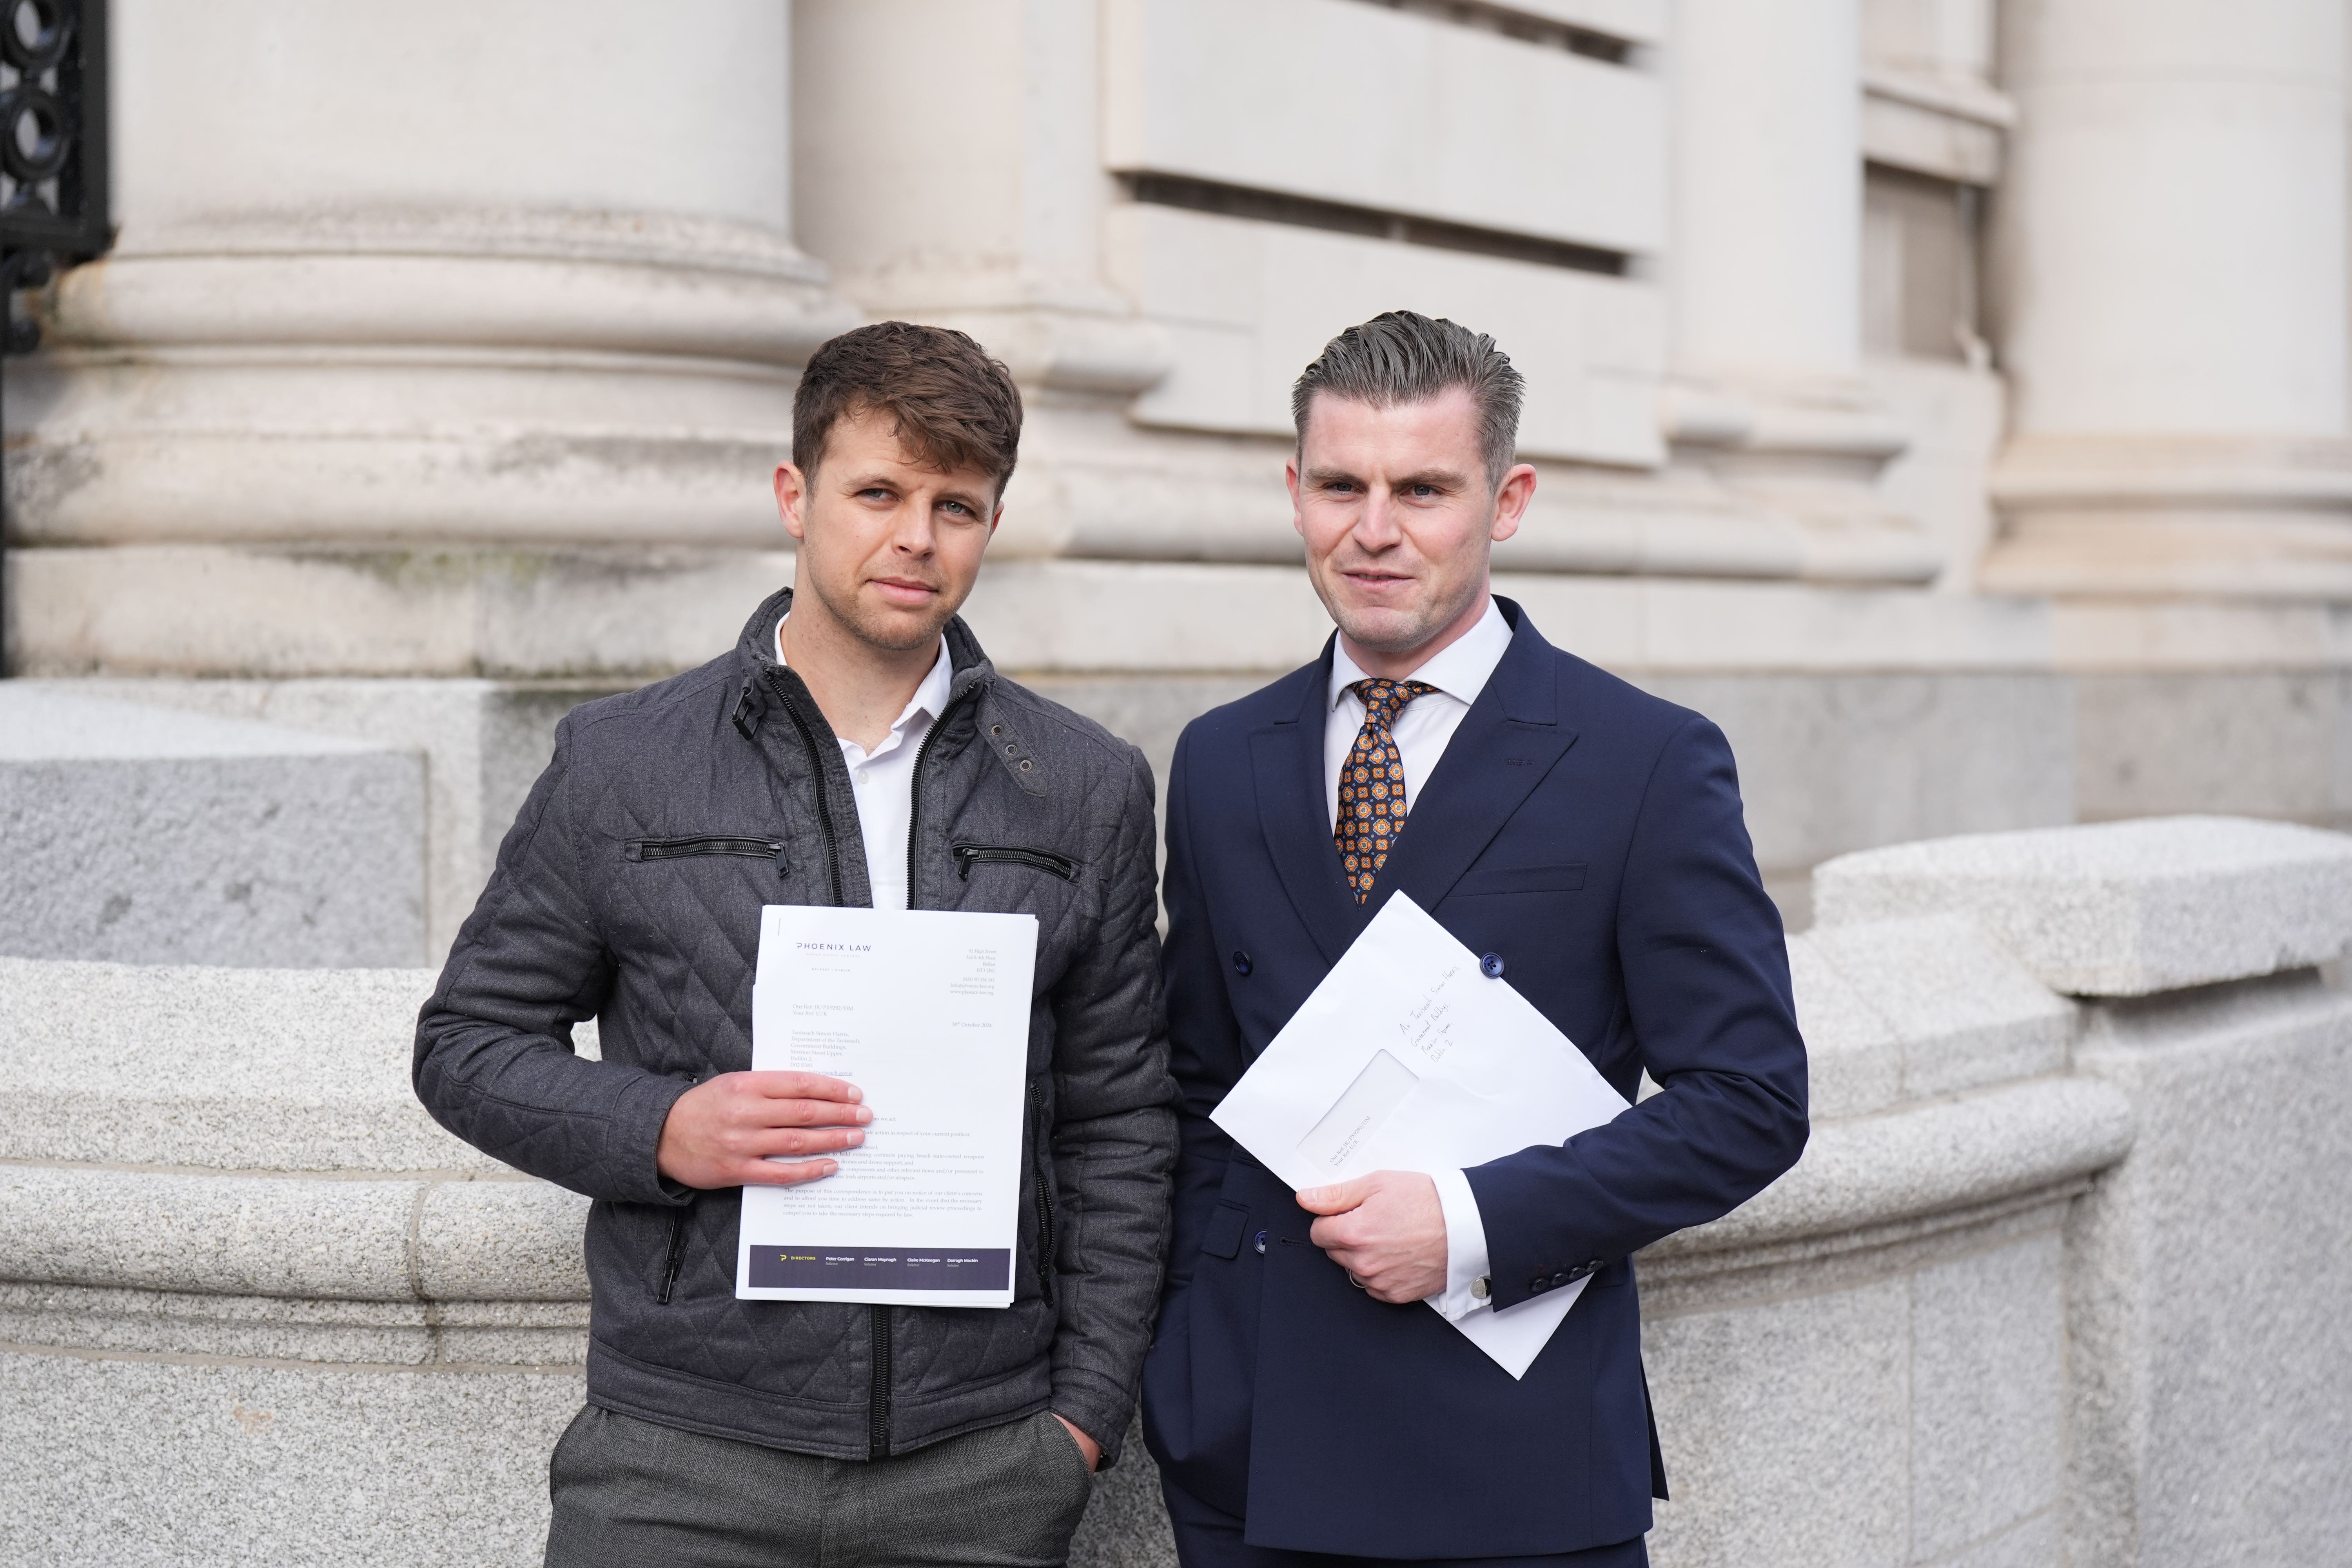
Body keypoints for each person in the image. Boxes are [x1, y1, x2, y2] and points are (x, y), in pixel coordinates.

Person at [414, 321, 1176, 1568]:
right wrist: (662, 1129)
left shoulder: (1082, 785)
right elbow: (467, 1045)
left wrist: (1081, 1419)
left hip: (981, 1465)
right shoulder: (623, 760)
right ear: (796, 497)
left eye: (958, 506)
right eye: (877, 492)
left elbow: (1122, 1118)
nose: (915, 538)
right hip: (679, 1457)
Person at [1141, 311, 1810, 1567]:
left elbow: (1750, 1103)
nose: (1375, 529)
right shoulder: (1223, 757)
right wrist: (1184, 1353)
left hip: (1515, 1459)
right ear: (1296, 493)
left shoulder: (1647, 761)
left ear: (1507, 502)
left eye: (1424, 490)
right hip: (1251, 1442)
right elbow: (1196, 1086)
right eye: (1341, 485)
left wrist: (1471, 1224)